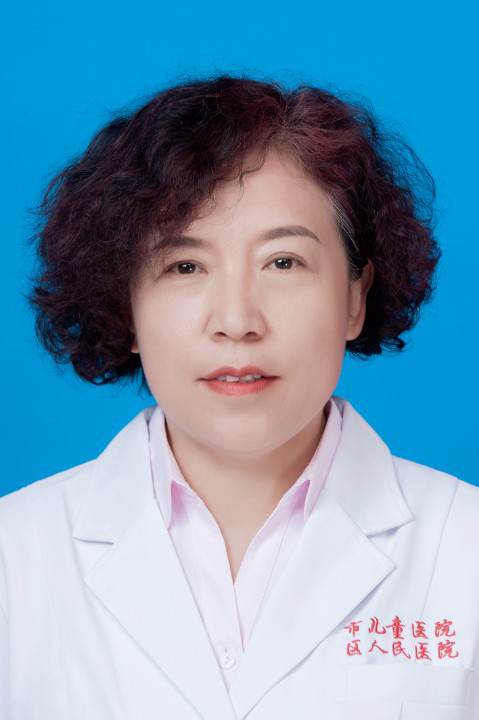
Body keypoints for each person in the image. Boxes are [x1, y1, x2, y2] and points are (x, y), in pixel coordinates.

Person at [1, 73, 478, 719]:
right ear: (125, 308)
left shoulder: (464, 549)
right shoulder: (16, 557)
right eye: (184, 266)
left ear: (354, 298)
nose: (236, 320)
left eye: (283, 263)